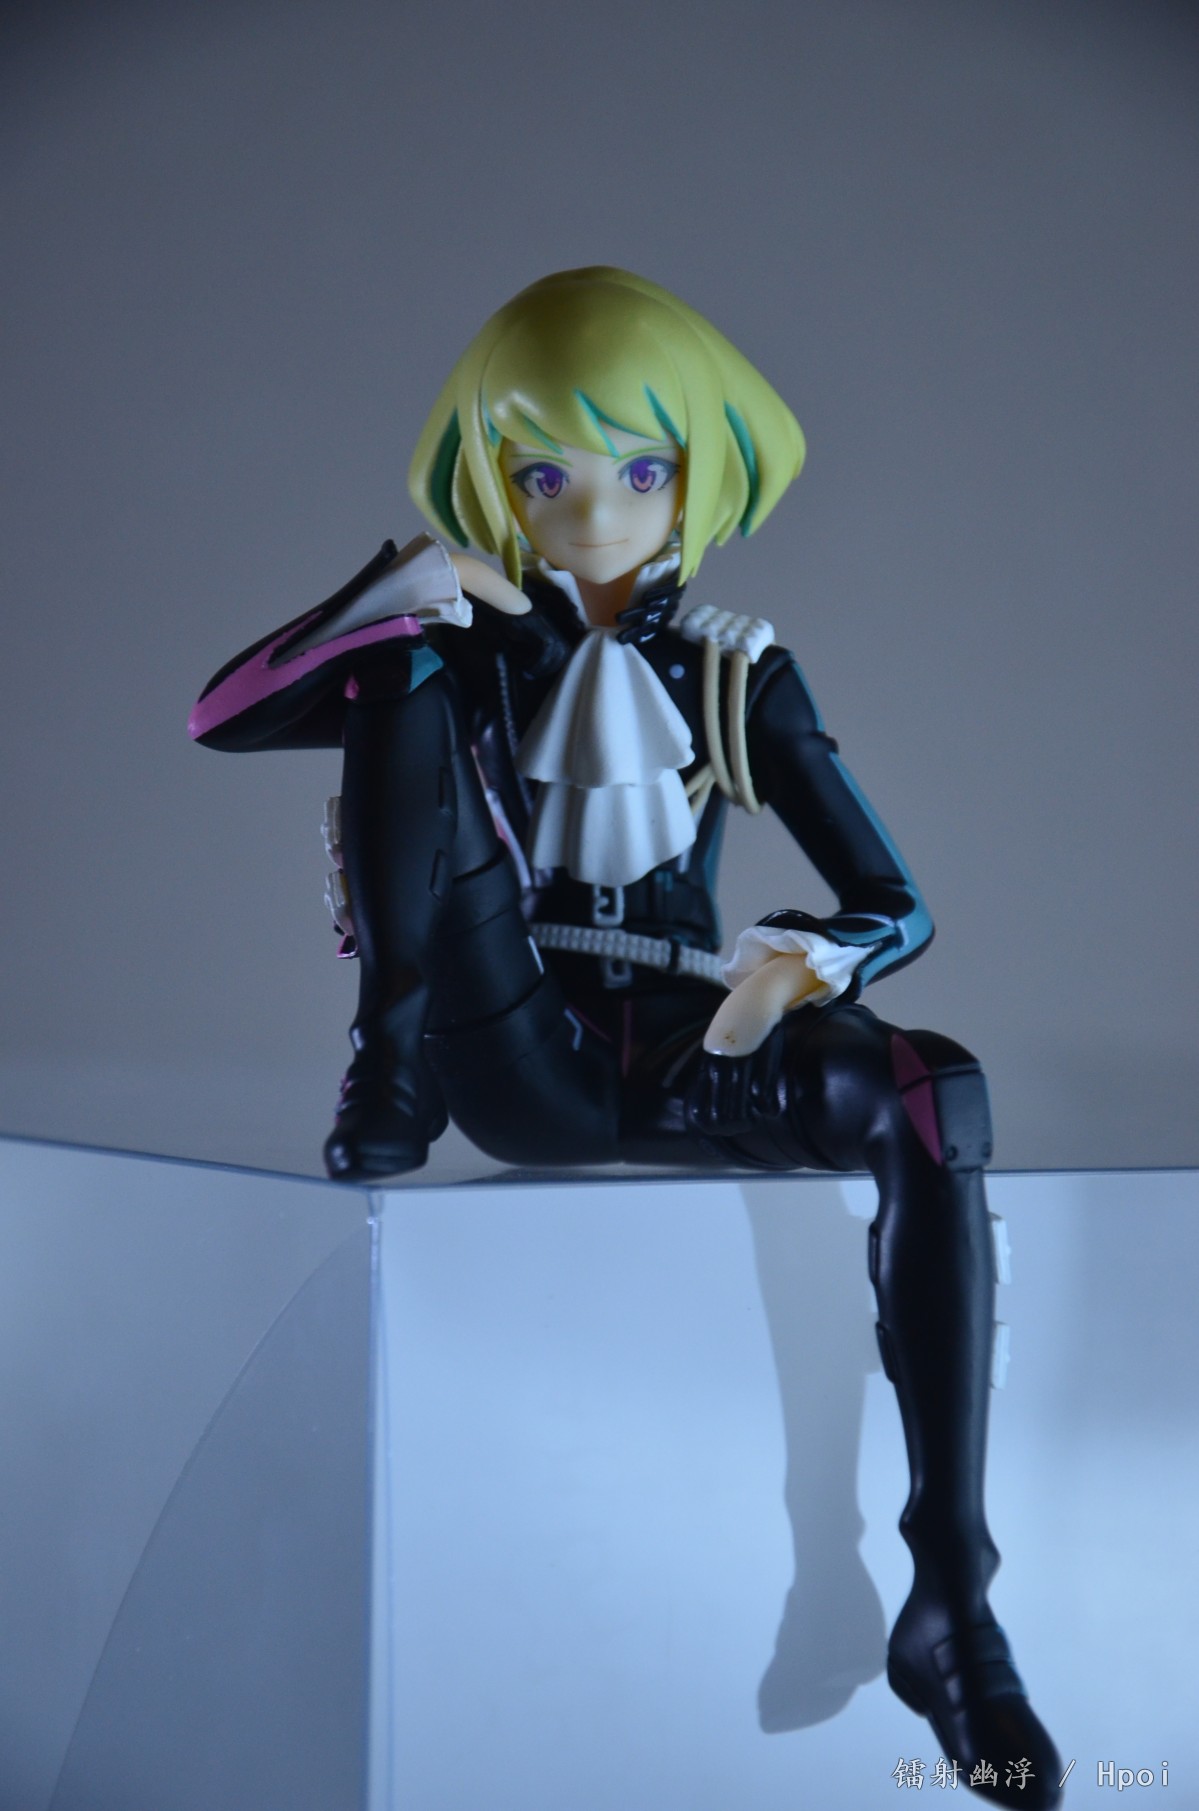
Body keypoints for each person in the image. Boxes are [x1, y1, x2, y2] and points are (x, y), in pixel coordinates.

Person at [191, 267, 1061, 1806]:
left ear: (698, 475)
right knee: (402, 663)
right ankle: (383, 1055)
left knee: (935, 1087)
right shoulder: (464, 645)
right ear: (496, 480)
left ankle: (952, 1606)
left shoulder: (734, 668)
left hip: (689, 1042)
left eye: (640, 469)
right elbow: (224, 715)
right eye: (548, 476)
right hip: (504, 1036)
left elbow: (896, 901)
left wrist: (804, 966)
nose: (595, 511)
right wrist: (404, 583)